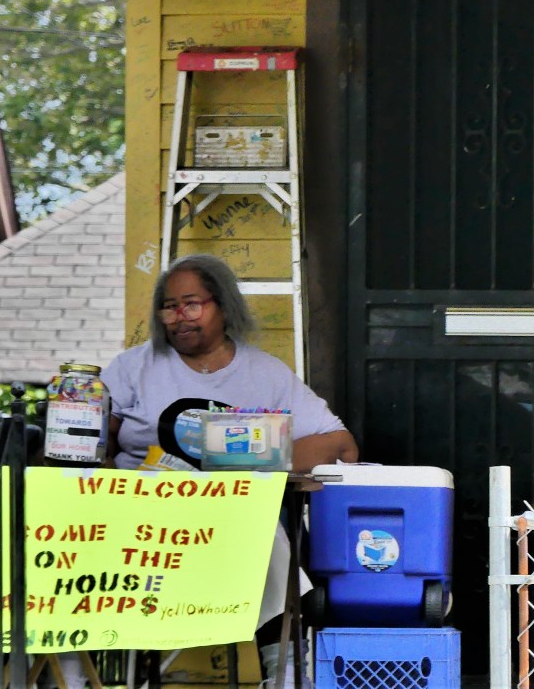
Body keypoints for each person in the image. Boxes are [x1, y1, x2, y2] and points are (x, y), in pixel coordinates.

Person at [102, 253, 359, 687]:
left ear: (223, 306)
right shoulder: (132, 368)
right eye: (168, 306)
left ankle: (284, 669)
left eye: (191, 304)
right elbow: (90, 441)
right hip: (139, 521)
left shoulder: (264, 374)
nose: (178, 317)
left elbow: (341, 446)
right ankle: (72, 672)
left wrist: (250, 454)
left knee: (268, 524)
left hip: (229, 521)